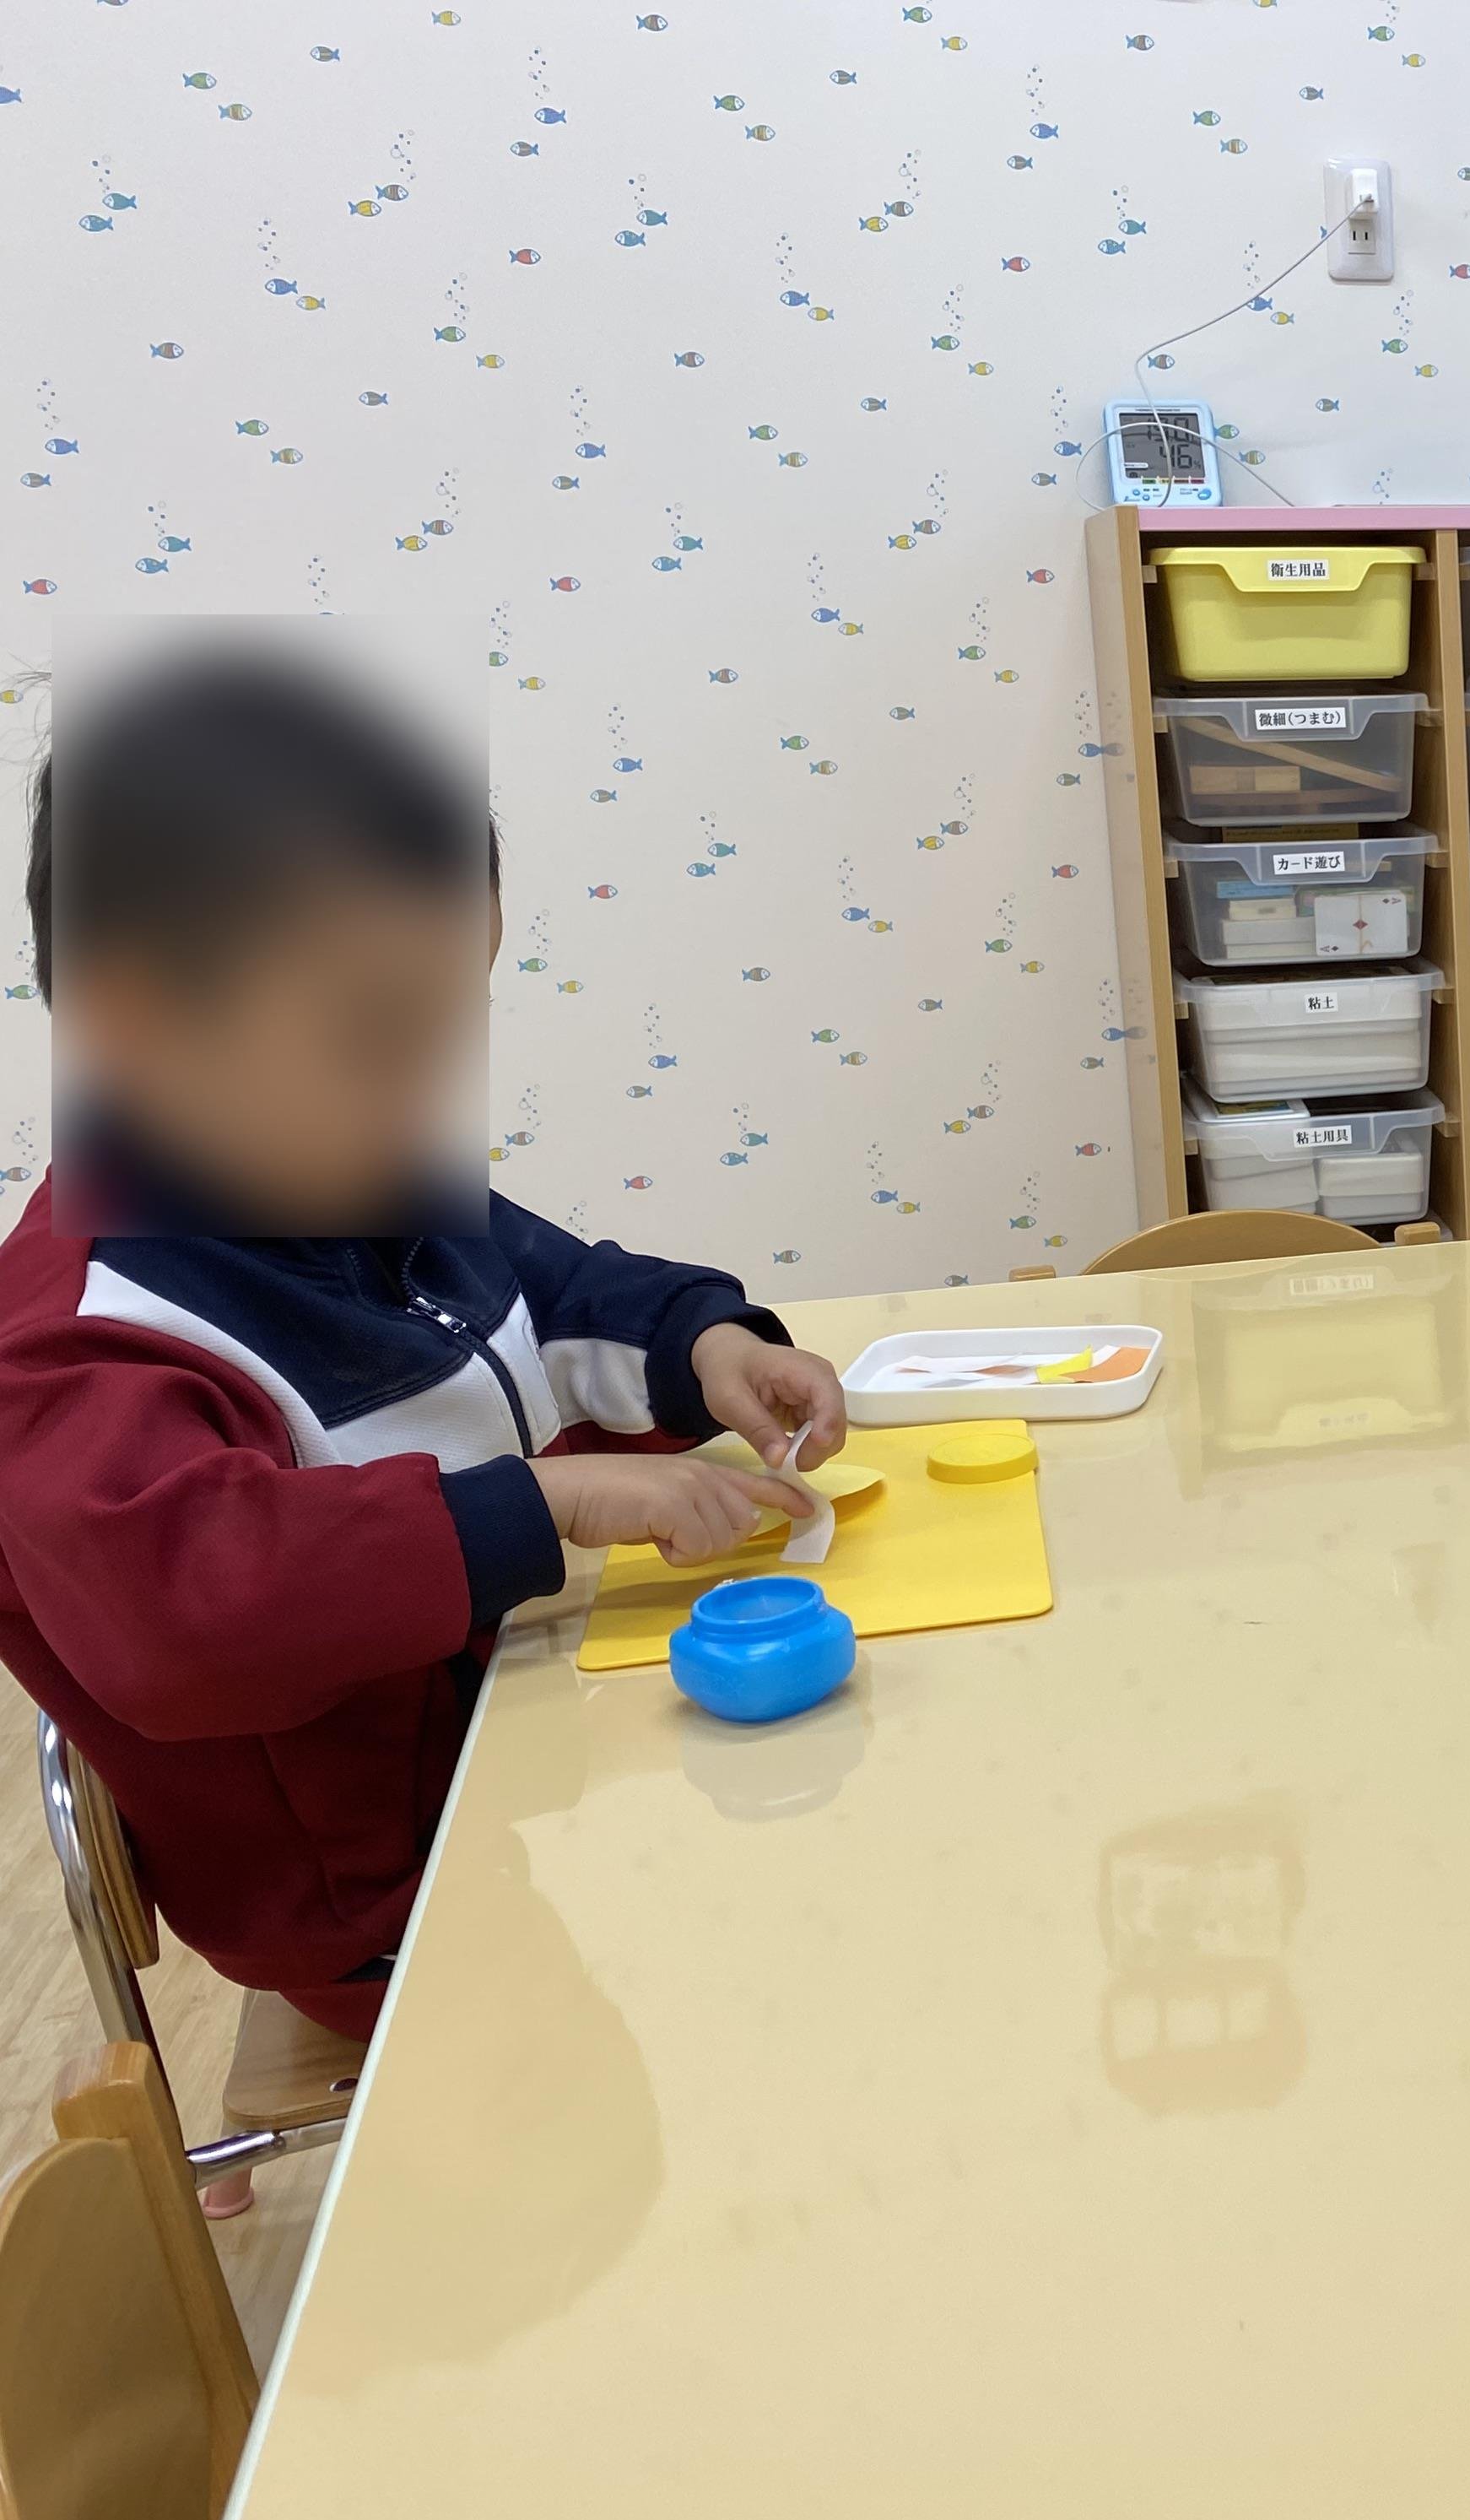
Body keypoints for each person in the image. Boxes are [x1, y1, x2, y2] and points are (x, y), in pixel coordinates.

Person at [0, 646, 845, 2078]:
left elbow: (558, 1292)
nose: (426, 1097)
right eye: (374, 1040)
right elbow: (192, 1609)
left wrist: (699, 1342)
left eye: (450, 1029)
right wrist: (546, 1504)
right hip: (400, 1901)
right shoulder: (77, 1340)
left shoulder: (353, 1171)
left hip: (541, 1734)